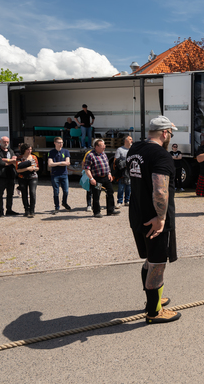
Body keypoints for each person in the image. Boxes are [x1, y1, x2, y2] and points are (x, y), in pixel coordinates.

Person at [127, 115, 180, 324]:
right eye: (170, 133)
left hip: (137, 215)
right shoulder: (161, 155)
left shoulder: (135, 150)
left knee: (150, 260)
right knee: (158, 263)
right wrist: (161, 217)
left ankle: (154, 299)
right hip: (154, 220)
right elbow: (160, 190)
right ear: (165, 133)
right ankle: (153, 311)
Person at [84, 139, 120, 218]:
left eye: (104, 145)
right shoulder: (90, 155)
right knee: (97, 194)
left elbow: (107, 165)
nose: (104, 147)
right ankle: (96, 212)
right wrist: (91, 179)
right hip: (97, 179)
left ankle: (110, 210)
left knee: (110, 192)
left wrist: (109, 173)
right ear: (96, 147)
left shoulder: (103, 153)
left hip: (106, 178)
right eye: (102, 145)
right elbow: (87, 168)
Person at [0, 136, 19, 217]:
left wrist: (5, 160)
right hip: (1, 176)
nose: (6, 143)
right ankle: (1, 211)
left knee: (10, 194)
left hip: (10, 175)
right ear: (0, 141)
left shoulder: (11, 151)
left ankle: (9, 210)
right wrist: (11, 161)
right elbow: (0, 163)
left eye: (7, 142)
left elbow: (15, 161)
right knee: (0, 194)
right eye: (4, 142)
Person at [48, 137, 71, 214]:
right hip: (55, 175)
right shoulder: (51, 152)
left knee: (66, 191)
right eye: (59, 142)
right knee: (56, 192)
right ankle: (57, 207)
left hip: (64, 174)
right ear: (55, 143)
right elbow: (50, 164)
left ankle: (64, 202)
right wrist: (61, 163)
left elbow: (68, 163)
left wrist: (57, 163)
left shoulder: (66, 151)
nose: (61, 144)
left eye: (62, 142)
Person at [15, 143, 39, 218]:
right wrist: (27, 169)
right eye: (28, 149)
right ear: (24, 150)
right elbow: (18, 170)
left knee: (32, 192)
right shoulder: (19, 158)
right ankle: (26, 209)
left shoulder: (34, 157)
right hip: (22, 177)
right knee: (24, 194)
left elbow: (38, 167)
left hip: (33, 176)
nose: (30, 151)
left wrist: (35, 169)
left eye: (31, 149)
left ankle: (32, 210)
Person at [114, 136, 132, 206]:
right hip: (122, 172)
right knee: (121, 187)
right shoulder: (120, 149)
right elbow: (116, 161)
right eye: (130, 139)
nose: (132, 140)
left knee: (129, 187)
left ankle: (127, 200)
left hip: (130, 171)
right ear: (125, 141)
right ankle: (119, 201)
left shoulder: (133, 149)